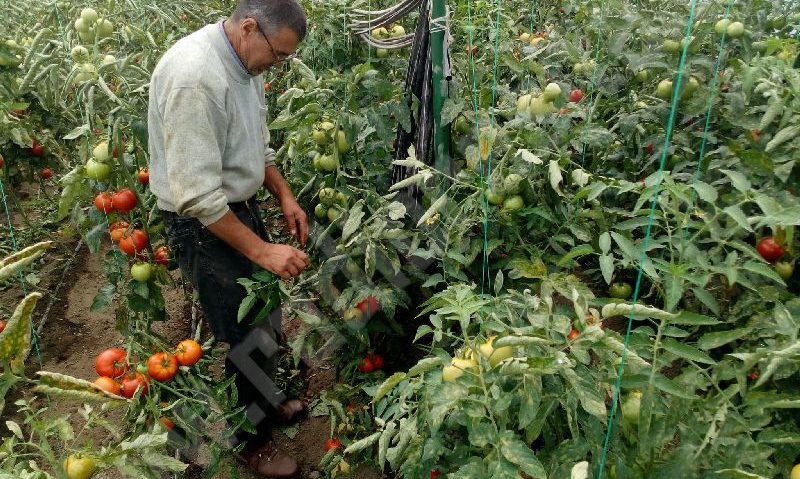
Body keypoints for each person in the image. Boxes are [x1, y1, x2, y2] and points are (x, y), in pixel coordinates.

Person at [147, 0, 310, 477]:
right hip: (203, 225)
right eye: (278, 55)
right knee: (242, 336)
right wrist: (262, 250)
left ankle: (267, 401)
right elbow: (196, 197)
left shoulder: (245, 62)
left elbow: (257, 143)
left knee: (264, 318)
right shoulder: (196, 77)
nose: (277, 65)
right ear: (248, 27)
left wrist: (284, 194)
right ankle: (250, 442)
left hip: (235, 207)